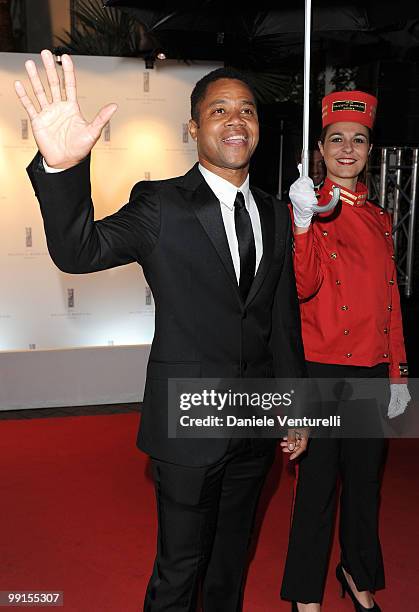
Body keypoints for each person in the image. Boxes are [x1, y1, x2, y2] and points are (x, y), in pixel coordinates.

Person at [15, 50, 308, 611]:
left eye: (247, 110)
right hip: (189, 421)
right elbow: (79, 252)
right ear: (194, 127)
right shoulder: (161, 204)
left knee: (231, 565)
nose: (236, 121)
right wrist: (63, 169)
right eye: (219, 110)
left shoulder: (273, 213)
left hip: (255, 425)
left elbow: (279, 318)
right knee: (179, 572)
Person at [280, 90, 411, 612]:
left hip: (372, 373)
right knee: (315, 492)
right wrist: (304, 222)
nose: (348, 148)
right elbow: (304, 286)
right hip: (322, 372)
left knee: (364, 487)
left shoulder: (381, 219)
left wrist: (398, 373)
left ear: (370, 150)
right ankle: (304, 596)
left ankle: (358, 575)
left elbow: (390, 303)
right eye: (337, 139)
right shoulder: (309, 209)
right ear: (320, 148)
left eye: (358, 140)